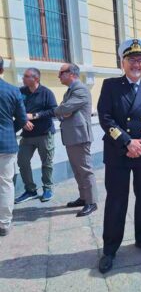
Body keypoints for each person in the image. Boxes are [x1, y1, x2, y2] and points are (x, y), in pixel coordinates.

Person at [97, 39, 141, 274]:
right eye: (131, 60)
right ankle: (110, 249)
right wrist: (127, 142)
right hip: (118, 153)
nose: (136, 64)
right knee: (116, 200)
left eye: (140, 60)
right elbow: (105, 118)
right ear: (123, 63)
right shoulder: (111, 85)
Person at [54, 64, 98, 217]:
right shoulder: (70, 91)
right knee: (77, 170)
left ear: (71, 73)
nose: (59, 76)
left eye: (61, 73)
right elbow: (63, 110)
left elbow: (63, 109)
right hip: (72, 136)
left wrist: (64, 110)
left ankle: (91, 202)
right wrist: (63, 111)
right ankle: (84, 197)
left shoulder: (80, 89)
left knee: (85, 170)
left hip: (79, 136)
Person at [15, 68, 57, 204]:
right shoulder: (20, 92)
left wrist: (34, 116)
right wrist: (24, 120)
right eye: (24, 76)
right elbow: (15, 109)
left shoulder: (46, 93)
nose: (23, 78)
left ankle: (48, 188)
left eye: (26, 76)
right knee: (22, 161)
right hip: (27, 135)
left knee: (47, 163)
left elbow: (53, 111)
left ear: (36, 79)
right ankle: (30, 190)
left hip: (45, 133)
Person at [0, 56, 28, 236]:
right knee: (5, 183)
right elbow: (23, 119)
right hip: (6, 142)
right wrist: (10, 130)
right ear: (2, 69)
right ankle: (4, 223)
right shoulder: (12, 91)